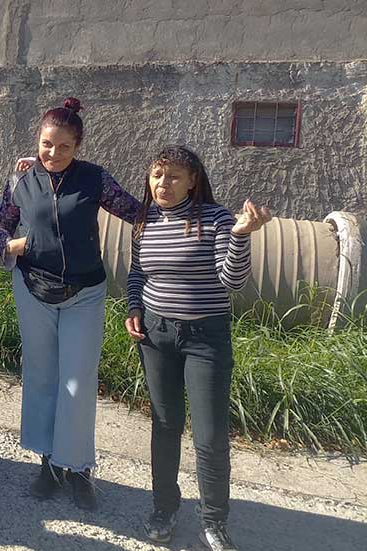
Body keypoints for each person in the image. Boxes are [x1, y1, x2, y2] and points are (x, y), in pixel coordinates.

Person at [0, 97, 141, 509]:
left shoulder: (95, 179)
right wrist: (13, 244)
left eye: (63, 147)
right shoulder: (20, 180)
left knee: (77, 382)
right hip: (33, 290)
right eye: (46, 144)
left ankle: (77, 468)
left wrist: (190, 215)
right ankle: (48, 464)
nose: (53, 154)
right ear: (37, 141)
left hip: (84, 293)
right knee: (41, 377)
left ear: (78, 147)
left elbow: (135, 212)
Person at [125, 145, 270, 551]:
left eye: (173, 176)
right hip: (156, 336)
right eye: (157, 175)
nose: (163, 184)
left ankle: (213, 520)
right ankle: (164, 507)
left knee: (209, 434)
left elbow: (233, 281)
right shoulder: (144, 219)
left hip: (206, 337)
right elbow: (138, 271)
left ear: (193, 181)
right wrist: (134, 306)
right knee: (165, 426)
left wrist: (241, 236)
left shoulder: (216, 218)